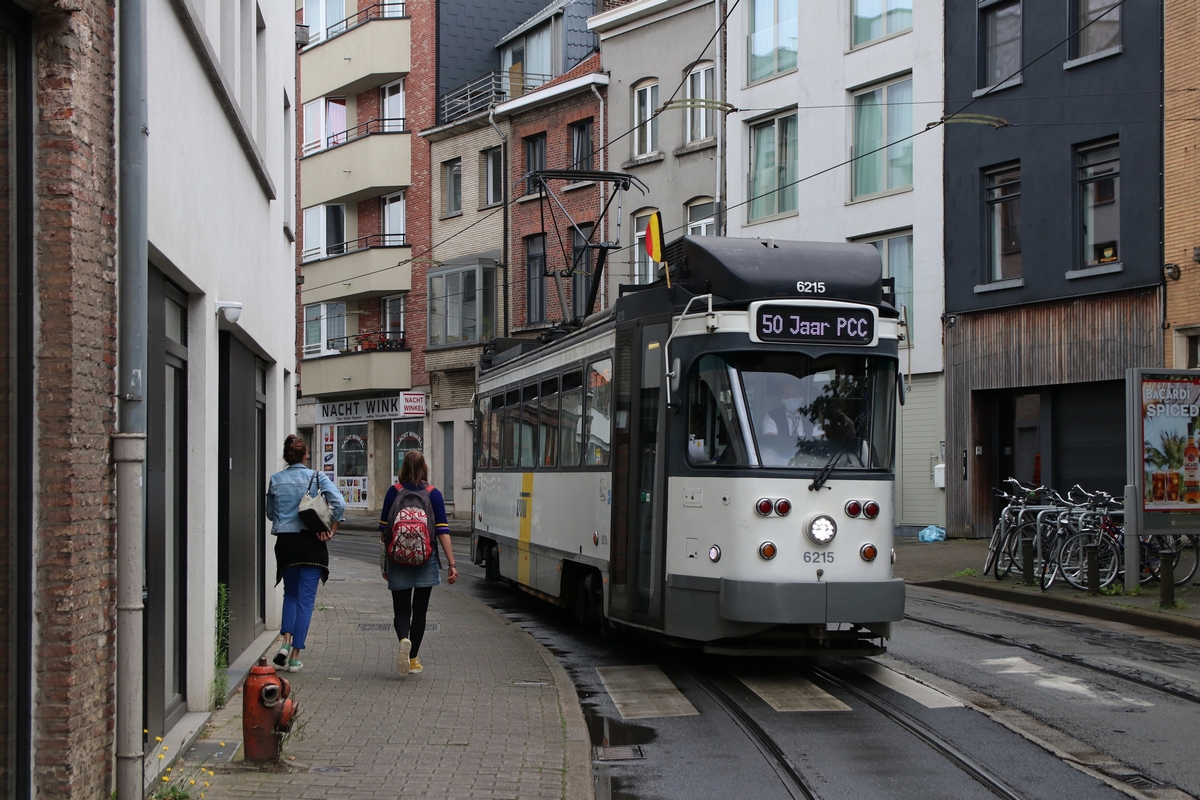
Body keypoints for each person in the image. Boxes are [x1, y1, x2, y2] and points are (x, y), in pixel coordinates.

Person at [265, 434, 345, 673]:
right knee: (306, 600)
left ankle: (285, 643)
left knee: (290, 595)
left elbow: (270, 513)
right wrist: (332, 527)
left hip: (286, 545)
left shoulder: (276, 480)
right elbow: (339, 503)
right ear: (305, 455)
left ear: (286, 456)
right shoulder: (316, 476)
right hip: (312, 543)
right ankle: (295, 657)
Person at [380, 450, 456, 677]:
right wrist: (452, 563)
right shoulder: (434, 494)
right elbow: (443, 531)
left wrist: (384, 565)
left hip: (398, 558)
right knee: (420, 611)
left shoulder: (393, 492)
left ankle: (404, 639)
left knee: (401, 610)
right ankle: (413, 659)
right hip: (426, 558)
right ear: (424, 468)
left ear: (403, 468)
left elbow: (383, 531)